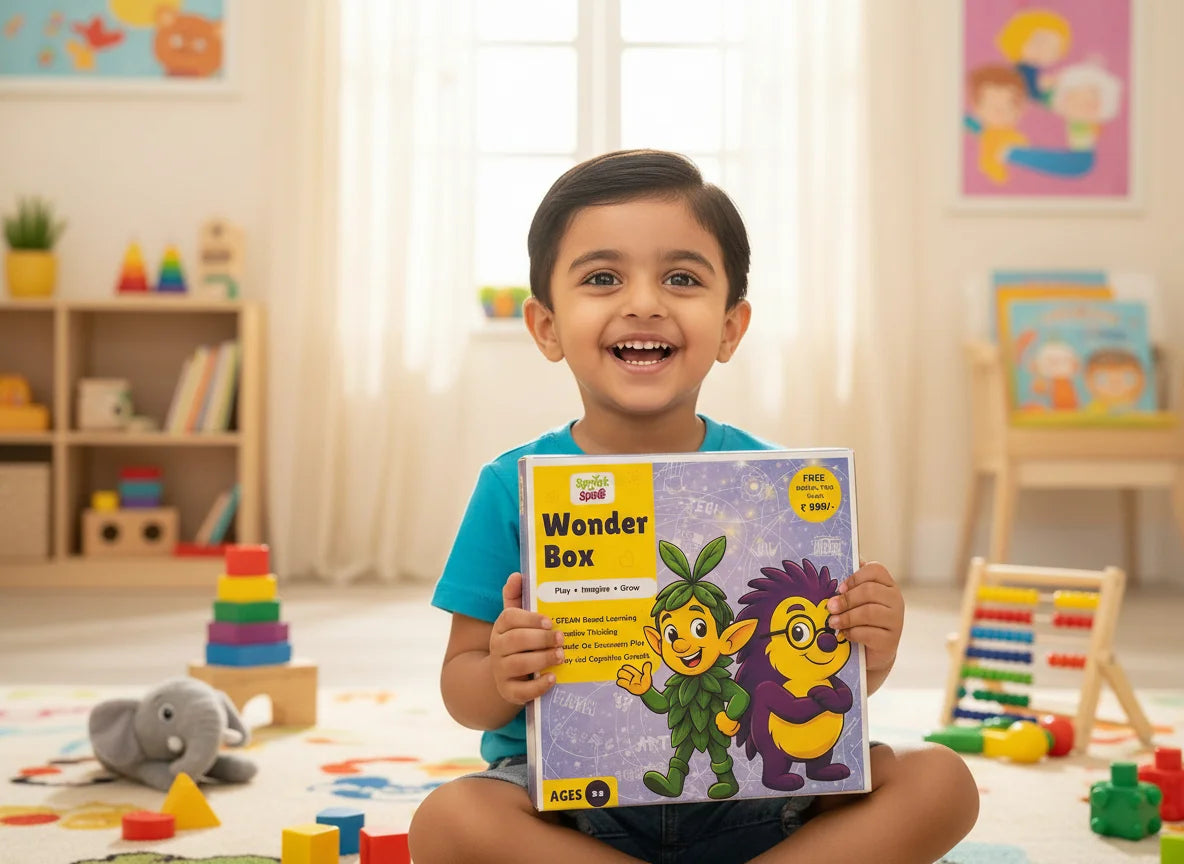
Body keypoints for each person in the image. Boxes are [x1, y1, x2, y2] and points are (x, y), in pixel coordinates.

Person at [409, 150, 979, 863]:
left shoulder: (779, 488)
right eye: (602, 277)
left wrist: (873, 645)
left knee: (942, 780)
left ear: (731, 326)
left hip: (765, 792)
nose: (644, 302)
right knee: (449, 820)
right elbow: (463, 692)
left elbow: (823, 677)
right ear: (546, 327)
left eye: (681, 278)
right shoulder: (512, 485)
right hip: (571, 811)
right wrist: (497, 674)